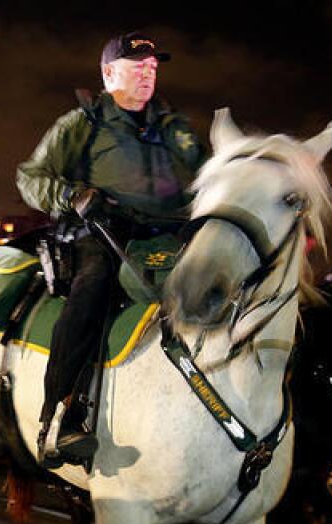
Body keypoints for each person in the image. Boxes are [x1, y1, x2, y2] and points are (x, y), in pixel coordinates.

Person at [16, 32, 207, 468]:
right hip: (102, 230)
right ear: (108, 72)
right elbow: (31, 177)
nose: (148, 75)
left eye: (154, 68)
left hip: (166, 235)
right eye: (138, 67)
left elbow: (204, 171)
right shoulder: (83, 122)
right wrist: (73, 196)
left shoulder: (170, 126)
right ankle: (62, 414)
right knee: (94, 287)